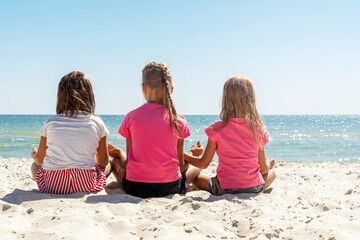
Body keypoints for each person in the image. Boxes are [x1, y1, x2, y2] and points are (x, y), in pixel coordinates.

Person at [109, 61, 190, 198]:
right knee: (189, 171)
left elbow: (128, 163)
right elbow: (181, 166)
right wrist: (189, 161)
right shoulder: (178, 120)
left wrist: (119, 153)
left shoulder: (131, 117)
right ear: (171, 89)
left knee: (116, 162)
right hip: (169, 188)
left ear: (143, 88)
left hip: (136, 188)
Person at [184, 76, 276, 195]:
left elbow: (203, 164)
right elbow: (263, 169)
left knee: (197, 178)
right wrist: (270, 163)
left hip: (224, 188)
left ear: (225, 101)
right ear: (251, 101)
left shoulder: (217, 128)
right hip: (253, 188)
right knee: (272, 173)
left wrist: (184, 155)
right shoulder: (257, 130)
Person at [30, 71, 111, 194]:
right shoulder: (97, 122)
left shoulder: (51, 123)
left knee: (35, 166)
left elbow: (40, 159)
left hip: (54, 185)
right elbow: (102, 162)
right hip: (85, 184)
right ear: (89, 95)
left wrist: (35, 156)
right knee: (109, 164)